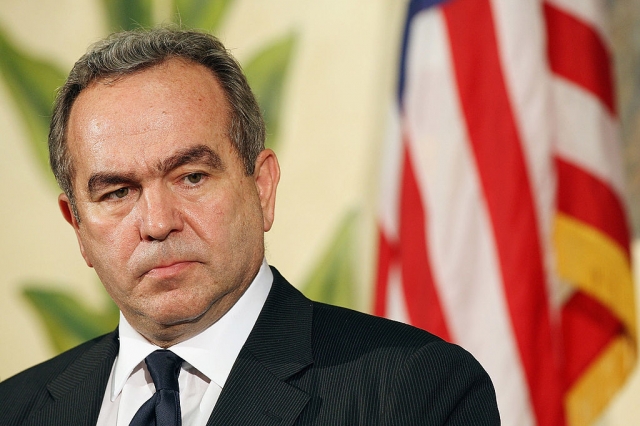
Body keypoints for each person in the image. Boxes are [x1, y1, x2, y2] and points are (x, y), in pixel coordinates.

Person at [0, 27, 500, 425]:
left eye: (191, 176)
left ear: (261, 187)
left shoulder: (416, 394)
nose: (157, 223)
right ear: (78, 228)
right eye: (117, 193)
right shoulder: (15, 409)